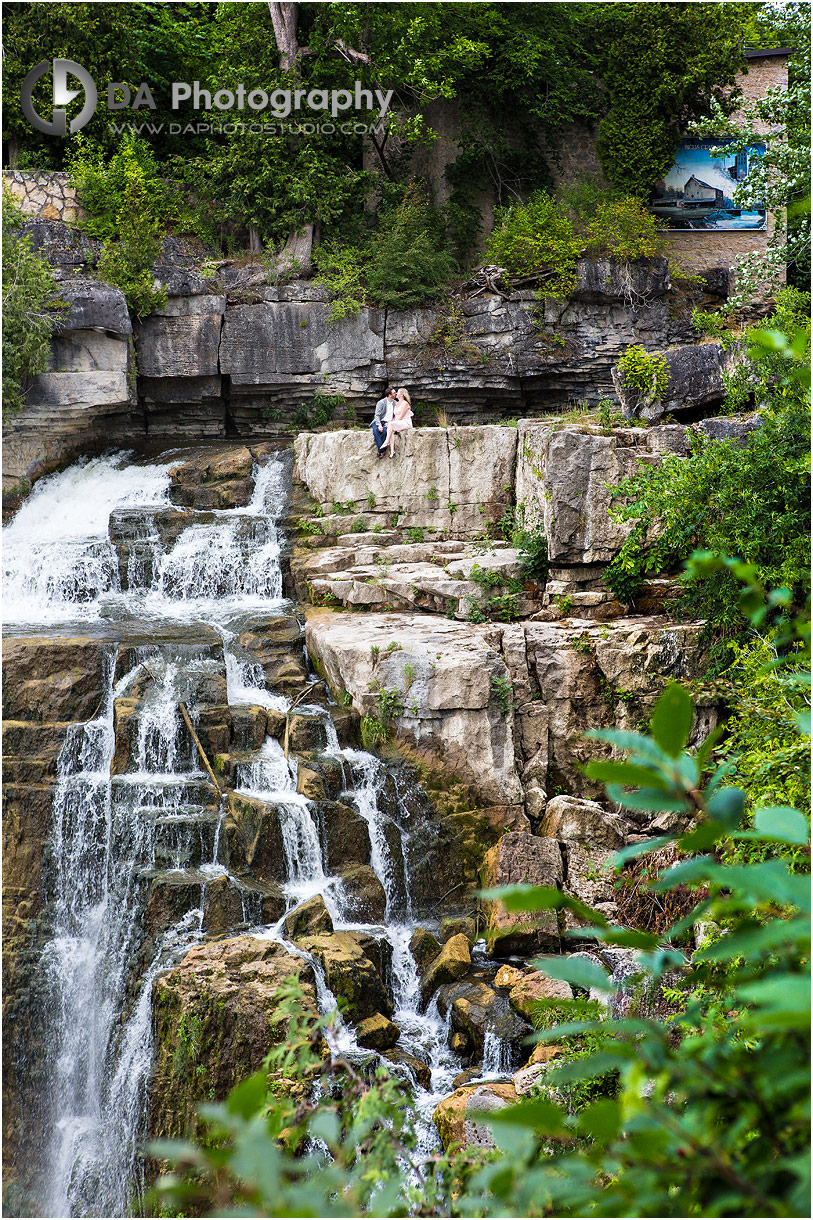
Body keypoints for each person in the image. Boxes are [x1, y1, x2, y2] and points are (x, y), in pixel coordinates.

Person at [385, 387, 414, 458]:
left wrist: (392, 423)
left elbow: (401, 417)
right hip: (399, 422)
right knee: (390, 427)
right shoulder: (396, 403)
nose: (396, 393)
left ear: (401, 395)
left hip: (405, 422)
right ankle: (392, 451)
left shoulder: (405, 404)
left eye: (397, 392)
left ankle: (386, 441)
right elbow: (395, 416)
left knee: (391, 425)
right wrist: (391, 422)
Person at [371, 387, 396, 457]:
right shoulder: (381, 402)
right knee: (376, 431)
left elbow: (396, 415)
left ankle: (381, 451)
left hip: (388, 423)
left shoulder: (395, 403)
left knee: (385, 432)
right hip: (378, 421)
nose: (395, 394)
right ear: (389, 395)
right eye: (394, 393)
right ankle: (382, 450)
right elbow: (377, 415)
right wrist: (379, 425)